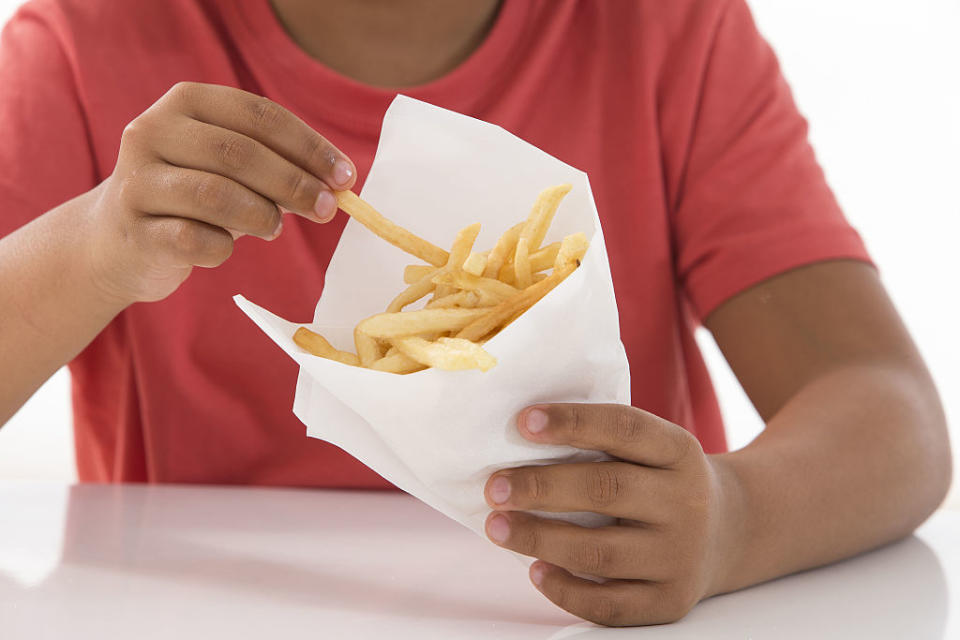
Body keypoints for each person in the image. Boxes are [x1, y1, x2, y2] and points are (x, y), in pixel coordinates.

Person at [0, 0, 950, 627]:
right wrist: (94, 240)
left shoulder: (672, 31)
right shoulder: (84, 45)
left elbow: (889, 414)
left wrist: (732, 522)